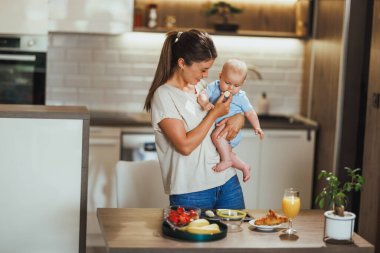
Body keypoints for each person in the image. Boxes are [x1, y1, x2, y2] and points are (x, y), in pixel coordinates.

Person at [144, 29, 246, 210]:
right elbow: (184, 146)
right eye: (203, 69)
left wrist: (239, 117)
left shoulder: (202, 86)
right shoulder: (164, 95)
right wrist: (214, 114)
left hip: (227, 182)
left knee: (237, 236)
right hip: (191, 191)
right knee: (192, 239)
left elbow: (231, 110)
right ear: (182, 63)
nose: (206, 75)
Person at [197, 59, 264, 183]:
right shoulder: (214, 86)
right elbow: (202, 94)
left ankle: (226, 161)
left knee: (216, 137)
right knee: (227, 152)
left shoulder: (241, 97)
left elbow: (250, 112)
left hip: (231, 129)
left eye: (236, 85)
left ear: (242, 83)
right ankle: (244, 166)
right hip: (222, 128)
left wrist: (257, 127)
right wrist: (205, 103)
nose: (231, 88)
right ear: (220, 76)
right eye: (227, 82)